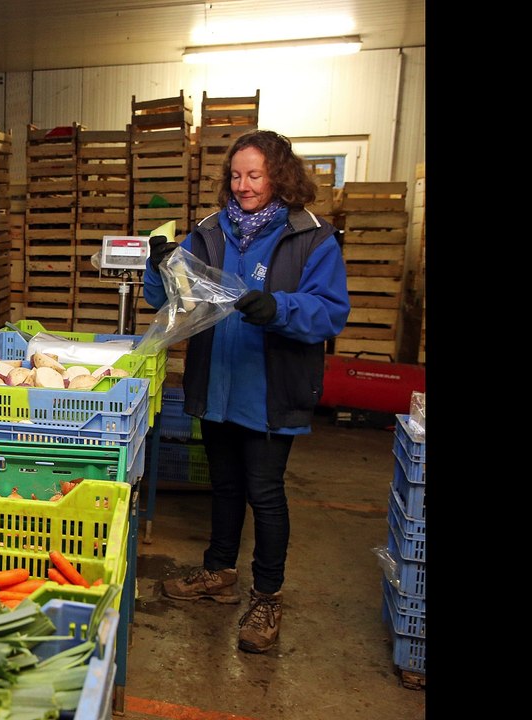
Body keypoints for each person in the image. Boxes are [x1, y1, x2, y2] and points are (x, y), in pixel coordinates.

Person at [142, 129, 350, 654]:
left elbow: (330, 312)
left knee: (265, 492)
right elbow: (165, 298)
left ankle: (268, 596)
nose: (243, 185)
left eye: (254, 175)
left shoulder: (310, 237)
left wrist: (277, 308)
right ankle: (218, 572)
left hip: (270, 389)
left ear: (279, 175)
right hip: (217, 382)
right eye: (236, 176)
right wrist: (158, 263)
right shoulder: (209, 231)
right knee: (226, 486)